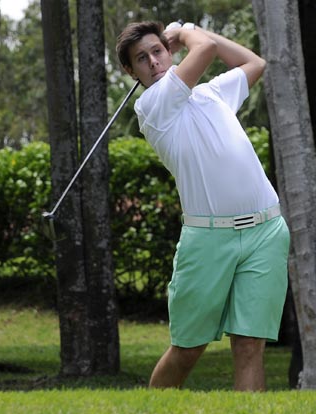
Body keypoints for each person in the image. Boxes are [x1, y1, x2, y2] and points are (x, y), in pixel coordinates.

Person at [116, 20, 290, 391]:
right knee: (188, 348)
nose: (154, 61)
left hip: (266, 230)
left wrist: (191, 31)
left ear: (169, 53)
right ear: (131, 72)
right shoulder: (152, 106)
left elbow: (255, 63)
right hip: (208, 239)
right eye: (142, 59)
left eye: (158, 51)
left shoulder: (212, 93)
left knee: (249, 346)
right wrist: (185, 34)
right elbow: (206, 51)